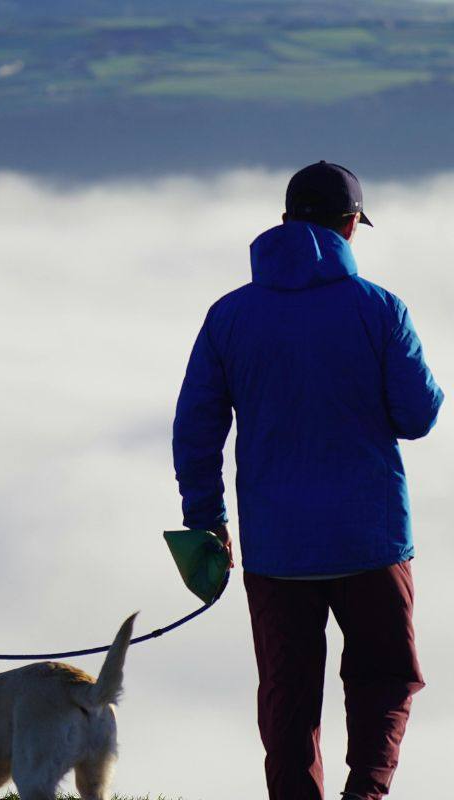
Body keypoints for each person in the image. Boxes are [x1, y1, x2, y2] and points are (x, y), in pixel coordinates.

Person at [172, 161, 443, 800]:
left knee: (288, 694)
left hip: (277, 548)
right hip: (370, 540)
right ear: (352, 224)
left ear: (287, 221)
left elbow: (196, 427)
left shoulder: (229, 316)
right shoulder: (380, 309)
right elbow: (418, 415)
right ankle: (366, 794)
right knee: (383, 677)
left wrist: (206, 522)